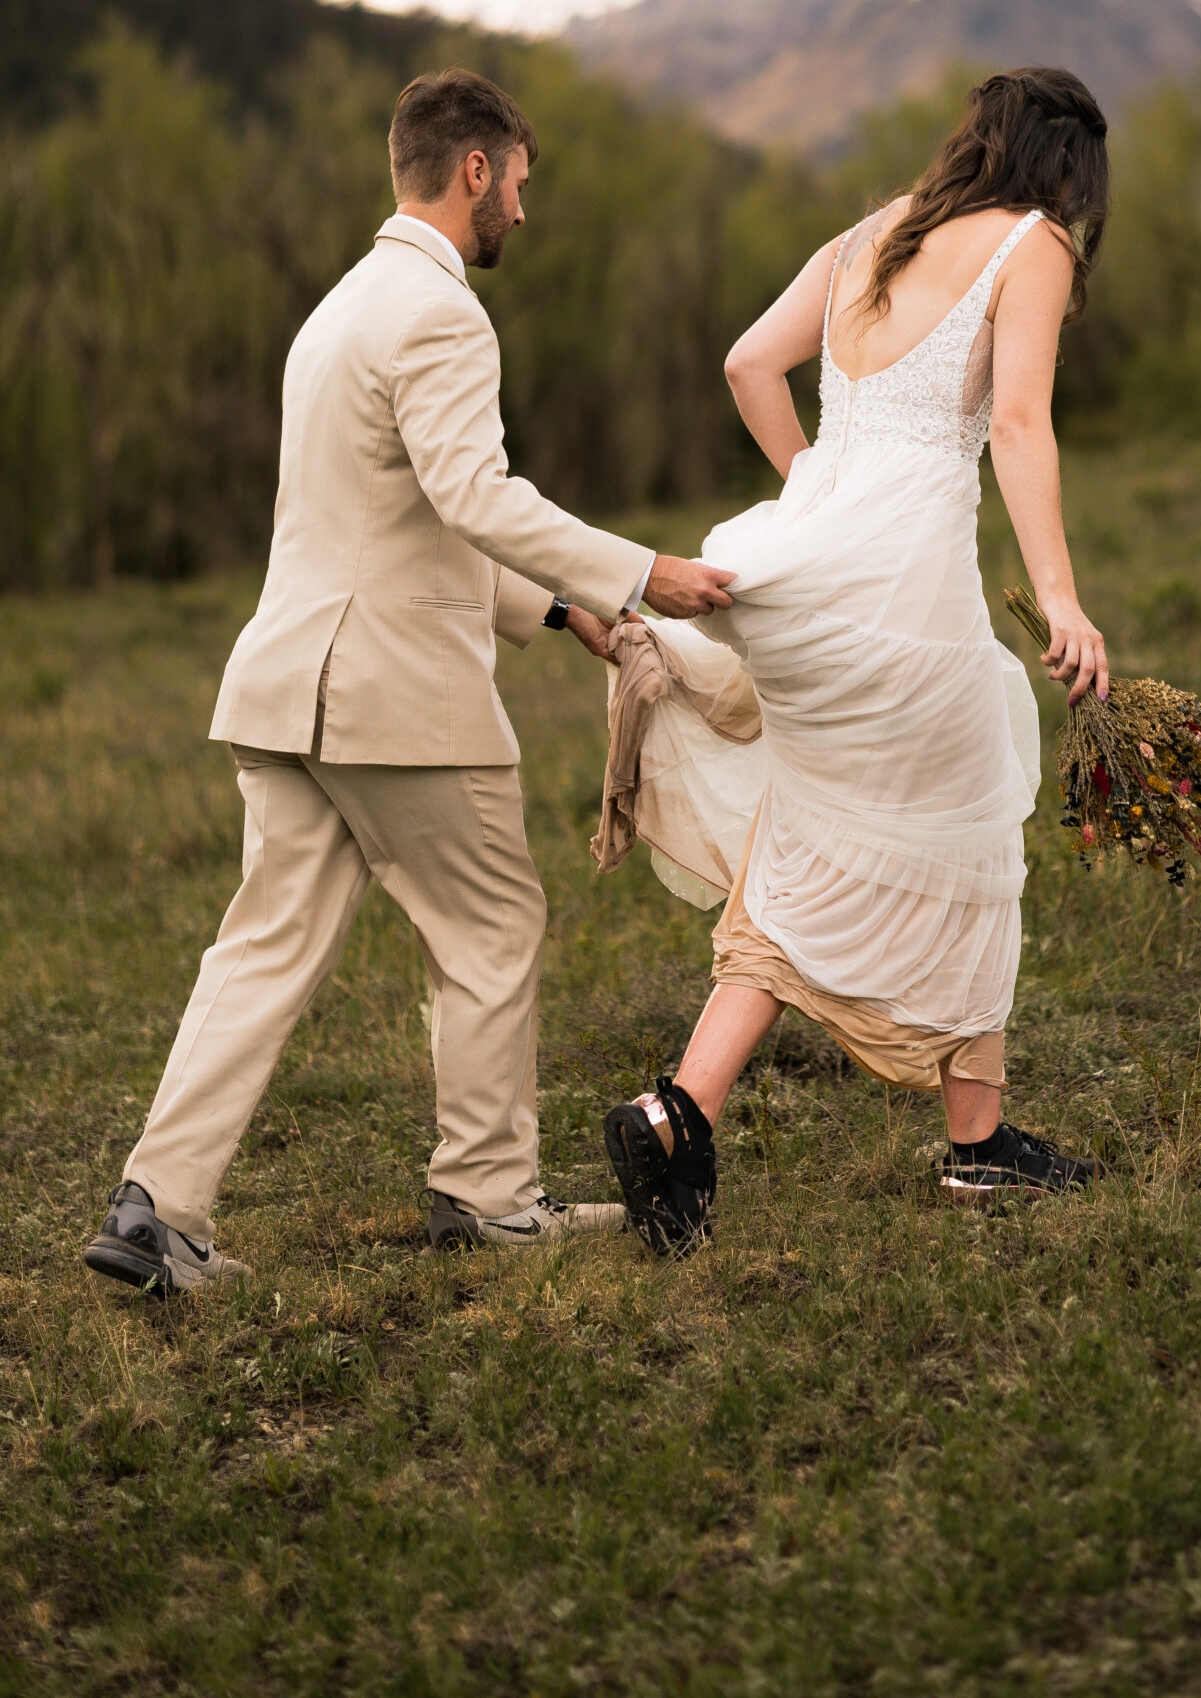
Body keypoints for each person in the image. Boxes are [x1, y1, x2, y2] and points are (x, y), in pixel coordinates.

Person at [82, 68, 734, 1298]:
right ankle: (487, 1198)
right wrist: (643, 572)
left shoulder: (333, 314)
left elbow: (390, 519)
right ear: (474, 170)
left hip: (291, 688)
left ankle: (155, 1210)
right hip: (392, 696)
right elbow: (474, 497)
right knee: (492, 926)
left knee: (261, 949)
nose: (525, 216)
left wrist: (555, 605)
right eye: (522, 186)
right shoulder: (444, 314)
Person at [583, 66, 1113, 1256]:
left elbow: (744, 366)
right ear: (1066, 165)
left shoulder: (872, 234)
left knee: (812, 840)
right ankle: (978, 1148)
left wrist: (815, 497)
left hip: (804, 578)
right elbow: (1019, 425)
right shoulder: (1036, 244)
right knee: (976, 823)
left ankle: (677, 1112)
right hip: (907, 590)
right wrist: (1065, 600)